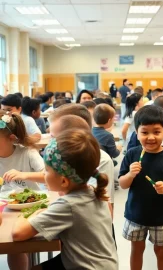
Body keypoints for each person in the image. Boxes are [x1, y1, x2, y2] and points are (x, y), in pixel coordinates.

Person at [12, 130, 118, 270]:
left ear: (63, 181)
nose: (43, 174)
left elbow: (18, 234)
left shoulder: (68, 205)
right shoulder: (95, 190)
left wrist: (26, 213)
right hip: (104, 263)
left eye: (47, 170)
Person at [119, 105, 163, 270]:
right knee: (136, 249)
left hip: (160, 216)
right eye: (145, 132)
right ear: (137, 132)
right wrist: (130, 175)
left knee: (161, 251)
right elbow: (122, 184)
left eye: (156, 132)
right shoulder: (132, 154)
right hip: (135, 214)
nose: (150, 137)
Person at [0, 110, 45, 270]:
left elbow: (49, 176)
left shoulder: (27, 152)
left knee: (15, 243)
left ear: (11, 138)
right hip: (3, 210)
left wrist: (24, 174)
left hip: (30, 207)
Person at [49, 104, 115, 205]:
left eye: (54, 138)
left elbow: (104, 202)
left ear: (76, 135)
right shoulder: (61, 156)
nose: (51, 142)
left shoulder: (101, 159)